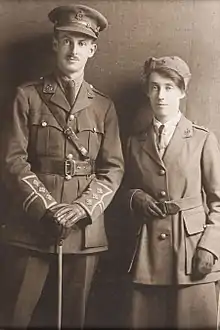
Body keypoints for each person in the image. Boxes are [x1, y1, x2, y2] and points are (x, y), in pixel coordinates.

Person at [0, 4, 124, 329]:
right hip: (32, 225)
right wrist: (47, 208)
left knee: (74, 319)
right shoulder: (26, 97)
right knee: (15, 318)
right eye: (67, 40)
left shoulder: (103, 107)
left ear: (92, 50)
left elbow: (112, 170)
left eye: (82, 43)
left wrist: (83, 208)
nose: (74, 49)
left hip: (83, 231)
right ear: (55, 43)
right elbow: (13, 160)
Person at [123, 56, 220, 329]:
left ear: (181, 92)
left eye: (168, 87)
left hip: (191, 254)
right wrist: (136, 197)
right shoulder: (134, 142)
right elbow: (125, 188)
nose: (160, 95)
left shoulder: (202, 139)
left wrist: (210, 246)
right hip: (147, 255)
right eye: (154, 87)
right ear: (147, 92)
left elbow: (218, 200)